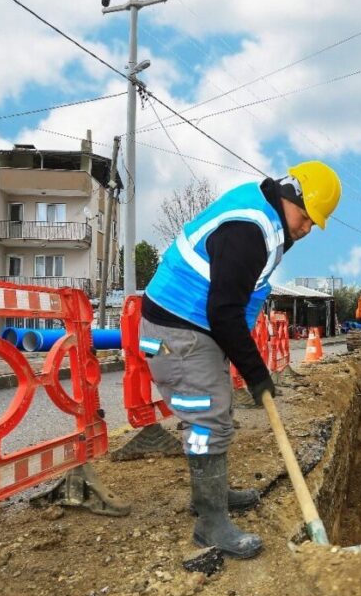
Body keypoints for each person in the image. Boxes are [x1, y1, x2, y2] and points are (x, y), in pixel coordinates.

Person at [112, 162, 342, 559]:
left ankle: (211, 494)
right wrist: (256, 373)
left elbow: (236, 301)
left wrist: (245, 360)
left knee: (215, 409)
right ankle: (210, 523)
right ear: (290, 196)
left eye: (312, 223)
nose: (306, 229)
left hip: (195, 327)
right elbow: (223, 311)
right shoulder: (248, 231)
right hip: (175, 331)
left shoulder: (267, 220)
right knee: (207, 417)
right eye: (305, 217)